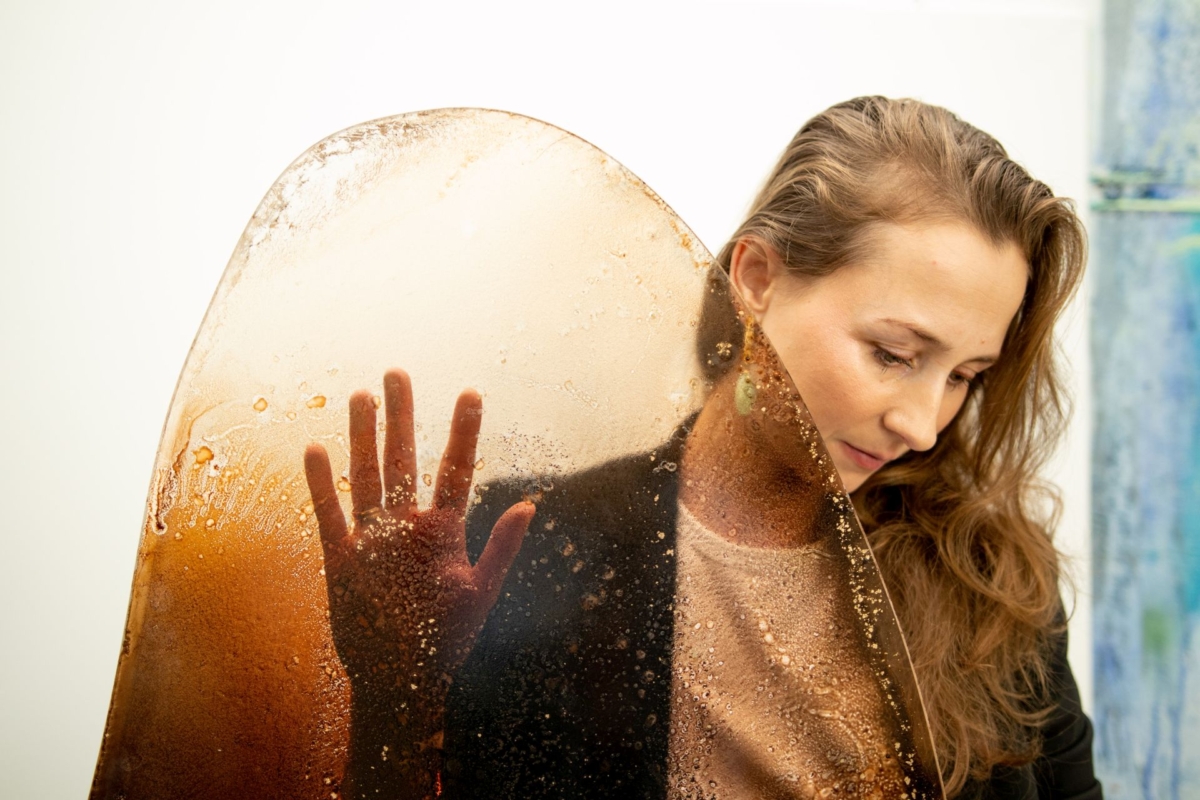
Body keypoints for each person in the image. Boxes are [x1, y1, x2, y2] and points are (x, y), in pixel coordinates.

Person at [303, 96, 1102, 799]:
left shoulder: (990, 584)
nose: (923, 427)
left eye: (964, 376)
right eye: (893, 354)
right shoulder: (534, 546)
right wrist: (393, 701)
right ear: (757, 279)